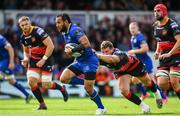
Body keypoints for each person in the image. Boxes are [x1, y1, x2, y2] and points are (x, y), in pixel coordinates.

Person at [55, 14, 106, 115]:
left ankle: (101, 108)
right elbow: (77, 50)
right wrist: (72, 53)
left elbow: (86, 44)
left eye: (59, 22)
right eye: (56, 23)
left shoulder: (75, 30)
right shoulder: (65, 33)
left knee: (88, 89)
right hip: (79, 61)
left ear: (65, 22)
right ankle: (87, 83)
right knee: (63, 78)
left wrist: (72, 50)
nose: (57, 25)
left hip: (89, 61)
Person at [97, 41, 163, 113]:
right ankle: (145, 107)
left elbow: (112, 59)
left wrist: (98, 55)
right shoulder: (103, 57)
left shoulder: (119, 53)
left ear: (112, 49)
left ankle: (157, 94)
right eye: (103, 52)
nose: (105, 54)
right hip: (121, 71)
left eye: (106, 51)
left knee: (147, 82)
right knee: (124, 91)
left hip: (135, 66)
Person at [18, 16, 68, 110]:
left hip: (46, 59)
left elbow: (51, 46)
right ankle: (42, 105)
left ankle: (61, 88)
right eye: (22, 25)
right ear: (20, 26)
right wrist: (25, 58)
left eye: (26, 24)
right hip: (33, 60)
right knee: (31, 82)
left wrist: (44, 59)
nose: (25, 27)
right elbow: (26, 50)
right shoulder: (23, 37)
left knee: (46, 85)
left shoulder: (38, 31)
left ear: (30, 23)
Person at [128, 22, 167, 102]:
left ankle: (163, 97)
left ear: (138, 28)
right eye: (131, 28)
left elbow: (145, 49)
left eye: (133, 28)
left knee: (152, 80)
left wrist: (133, 51)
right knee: (134, 80)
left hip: (146, 61)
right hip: (139, 62)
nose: (132, 30)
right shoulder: (132, 37)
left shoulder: (140, 37)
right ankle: (144, 93)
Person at [153, 4, 180, 99]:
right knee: (161, 83)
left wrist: (170, 53)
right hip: (164, 57)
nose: (156, 13)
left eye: (158, 11)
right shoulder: (156, 26)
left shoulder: (172, 24)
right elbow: (159, 41)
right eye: (155, 11)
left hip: (176, 55)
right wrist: (157, 51)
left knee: (174, 81)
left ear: (164, 12)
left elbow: (179, 41)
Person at [0, 34, 32, 103]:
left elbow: (10, 47)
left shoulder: (0, 38)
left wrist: (11, 62)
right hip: (2, 63)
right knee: (12, 81)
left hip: (5, 63)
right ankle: (27, 94)